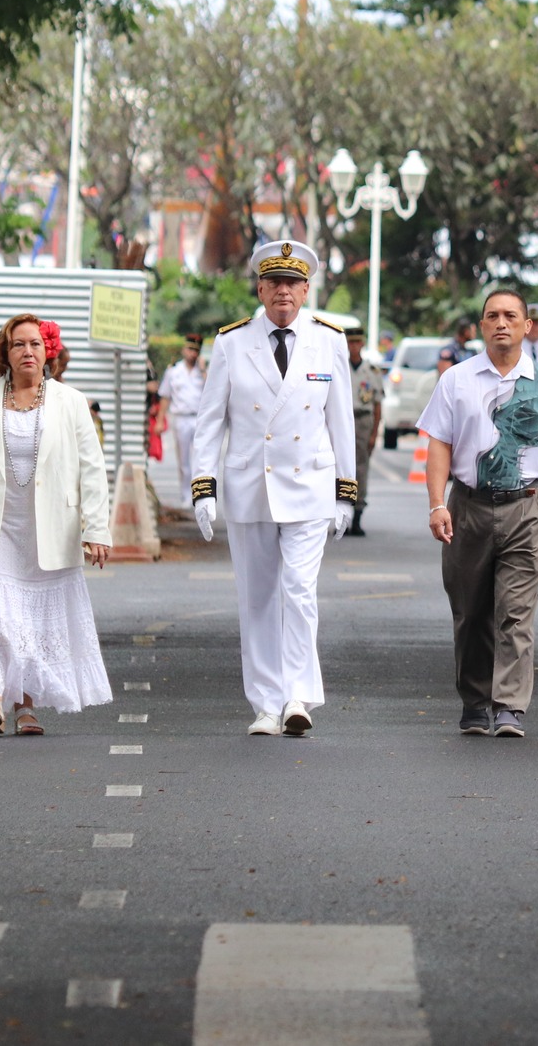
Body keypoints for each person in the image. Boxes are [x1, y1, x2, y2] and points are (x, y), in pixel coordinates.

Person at [189, 240, 357, 737]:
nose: (283, 292)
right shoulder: (232, 342)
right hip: (250, 485)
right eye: (274, 283)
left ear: (306, 290)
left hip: (309, 482)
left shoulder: (329, 340)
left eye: (293, 283)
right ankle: (265, 702)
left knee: (300, 591)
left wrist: (345, 491)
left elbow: (340, 419)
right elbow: (209, 421)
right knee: (258, 598)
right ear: (260, 288)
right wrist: (204, 487)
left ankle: (298, 696)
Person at [0, 313, 113, 736]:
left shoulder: (71, 402)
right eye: (18, 344)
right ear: (6, 353)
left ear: (46, 351)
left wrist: (97, 530)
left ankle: (27, 708)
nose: (27, 351)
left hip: (50, 529)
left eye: (35, 344)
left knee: (33, 622)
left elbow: (92, 470)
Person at [420, 288, 538, 738]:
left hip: (525, 510)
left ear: (528, 326)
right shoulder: (457, 379)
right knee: (470, 612)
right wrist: (436, 504)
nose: (502, 323)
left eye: (511, 315)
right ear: (482, 326)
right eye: (493, 316)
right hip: (467, 507)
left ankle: (509, 705)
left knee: (515, 612)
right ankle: (475, 702)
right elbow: (439, 445)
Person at [157, 333, 208, 489]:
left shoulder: (204, 371)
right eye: (190, 349)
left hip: (200, 419)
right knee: (184, 460)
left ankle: (199, 493)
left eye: (196, 350)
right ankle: (186, 494)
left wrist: (204, 370)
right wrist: (159, 420)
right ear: (184, 350)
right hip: (181, 418)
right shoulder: (174, 371)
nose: (192, 353)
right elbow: (165, 396)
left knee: (201, 459)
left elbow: (213, 392)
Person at [347, 325, 384, 535]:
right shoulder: (339, 367)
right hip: (344, 419)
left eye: (357, 342)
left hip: (362, 420)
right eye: (350, 342)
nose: (353, 346)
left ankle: (357, 516)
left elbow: (378, 405)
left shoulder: (371, 372)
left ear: (362, 344)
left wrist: (374, 434)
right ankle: (342, 513)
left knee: (361, 469)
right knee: (342, 469)